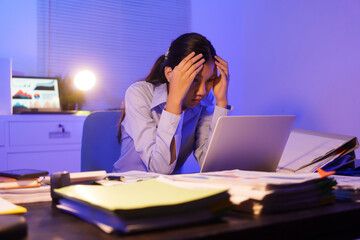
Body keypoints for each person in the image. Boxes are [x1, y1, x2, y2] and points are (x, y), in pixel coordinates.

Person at [113, 32, 230, 174]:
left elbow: (213, 166)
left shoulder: (203, 103)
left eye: (209, 80)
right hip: (128, 187)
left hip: (170, 188)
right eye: (194, 79)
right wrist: (175, 100)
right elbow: (159, 169)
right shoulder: (138, 94)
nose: (202, 91)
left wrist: (221, 103)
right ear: (170, 74)